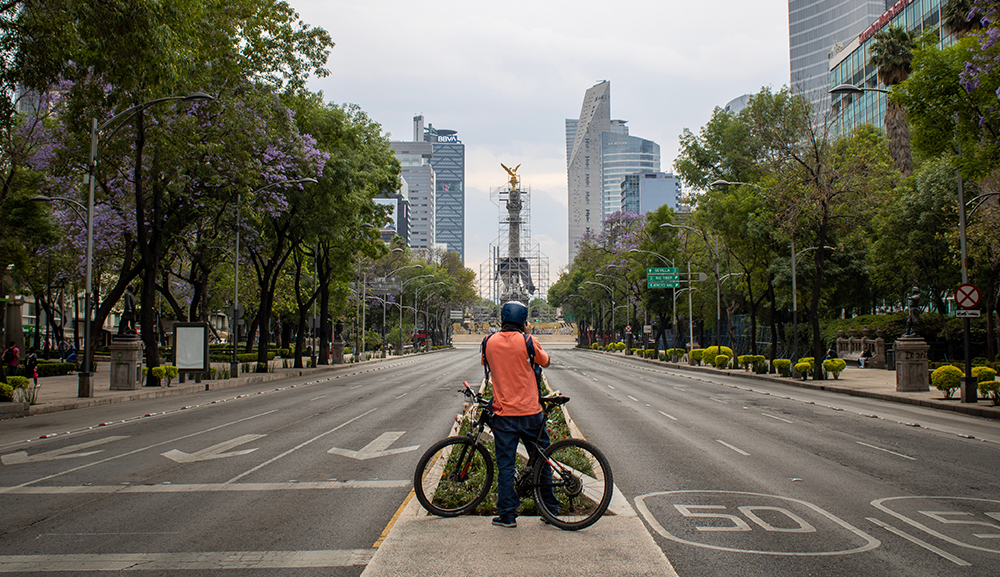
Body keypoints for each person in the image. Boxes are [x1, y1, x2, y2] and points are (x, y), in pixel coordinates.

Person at [480, 301, 556, 528]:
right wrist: (529, 335)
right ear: (523, 320)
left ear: (502, 318)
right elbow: (547, 362)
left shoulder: (488, 342)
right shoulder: (528, 341)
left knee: (506, 466)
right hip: (531, 412)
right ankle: (550, 509)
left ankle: (507, 515)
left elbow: (486, 364)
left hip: (504, 414)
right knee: (542, 460)